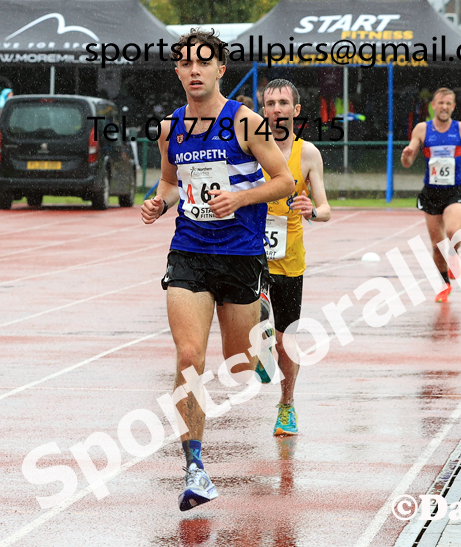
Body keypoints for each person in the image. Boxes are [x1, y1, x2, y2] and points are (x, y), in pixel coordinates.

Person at [140, 30, 295, 511]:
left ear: (220, 69)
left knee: (240, 364)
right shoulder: (171, 129)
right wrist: (158, 203)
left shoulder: (246, 123)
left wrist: (241, 198)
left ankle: (261, 328)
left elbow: (285, 180)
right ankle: (195, 467)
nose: (193, 71)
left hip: (241, 254)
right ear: (177, 71)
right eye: (185, 63)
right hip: (188, 250)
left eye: (203, 63)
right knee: (189, 355)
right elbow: (170, 181)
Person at [253, 78, 331, 436]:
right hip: (251, 254)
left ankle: (286, 406)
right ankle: (260, 345)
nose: (277, 110)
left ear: (295, 111)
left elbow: (326, 208)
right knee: (246, 320)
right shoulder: (250, 149)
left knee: (287, 340)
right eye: (270, 104)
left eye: (283, 103)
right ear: (263, 111)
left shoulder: (309, 154)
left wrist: (311, 210)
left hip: (290, 260)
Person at [401, 87, 461, 303]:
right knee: (437, 246)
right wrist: (406, 156)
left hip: (453, 191)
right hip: (430, 193)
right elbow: (408, 162)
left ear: (454, 107)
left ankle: (454, 255)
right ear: (433, 106)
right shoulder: (421, 129)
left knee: (454, 232)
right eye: (440, 103)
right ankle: (445, 283)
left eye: (448, 103)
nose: (444, 107)